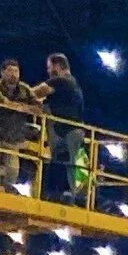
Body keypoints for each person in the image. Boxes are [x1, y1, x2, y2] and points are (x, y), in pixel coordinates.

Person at [0, 59, 42, 192]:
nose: (13, 74)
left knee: (13, 169)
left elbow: (37, 107)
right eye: (9, 71)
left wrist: (25, 107)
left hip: (13, 136)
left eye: (16, 71)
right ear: (2, 73)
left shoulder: (25, 89)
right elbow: (0, 100)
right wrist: (20, 107)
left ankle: (7, 192)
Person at [43, 53, 84, 194]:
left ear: (57, 66)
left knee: (69, 166)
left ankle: (70, 195)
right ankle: (68, 194)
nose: (48, 71)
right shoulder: (73, 84)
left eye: (49, 67)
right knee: (68, 165)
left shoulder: (61, 81)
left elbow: (35, 93)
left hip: (67, 133)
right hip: (70, 131)